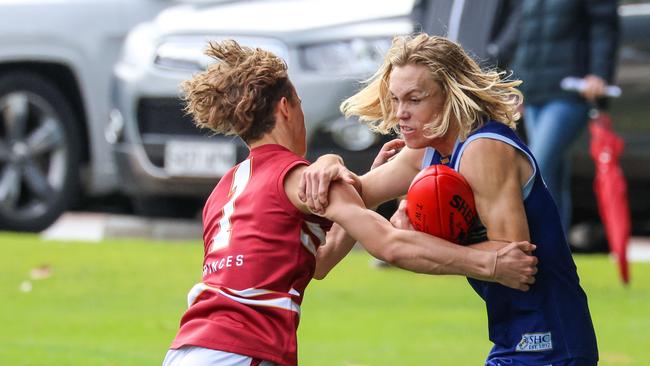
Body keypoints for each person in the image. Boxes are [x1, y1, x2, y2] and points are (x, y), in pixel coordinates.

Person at [162, 40, 537, 366]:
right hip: (242, 350)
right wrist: (489, 261)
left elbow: (315, 263)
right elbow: (388, 244)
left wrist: (343, 179)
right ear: (287, 108)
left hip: (188, 344)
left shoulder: (225, 190)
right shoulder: (297, 177)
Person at [301, 34, 598, 365]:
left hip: (551, 341)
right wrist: (329, 164)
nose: (401, 114)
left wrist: (416, 237)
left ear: (451, 94)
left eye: (415, 99)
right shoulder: (426, 153)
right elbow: (353, 201)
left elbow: (515, 260)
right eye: (396, 99)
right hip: (511, 336)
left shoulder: (483, 149)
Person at [510, 0, 619, 232]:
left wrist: (599, 73)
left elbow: (604, 26)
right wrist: (516, 86)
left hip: (570, 90)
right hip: (535, 92)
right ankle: (558, 256)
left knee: (535, 166)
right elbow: (524, 35)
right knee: (552, 178)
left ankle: (540, 245)